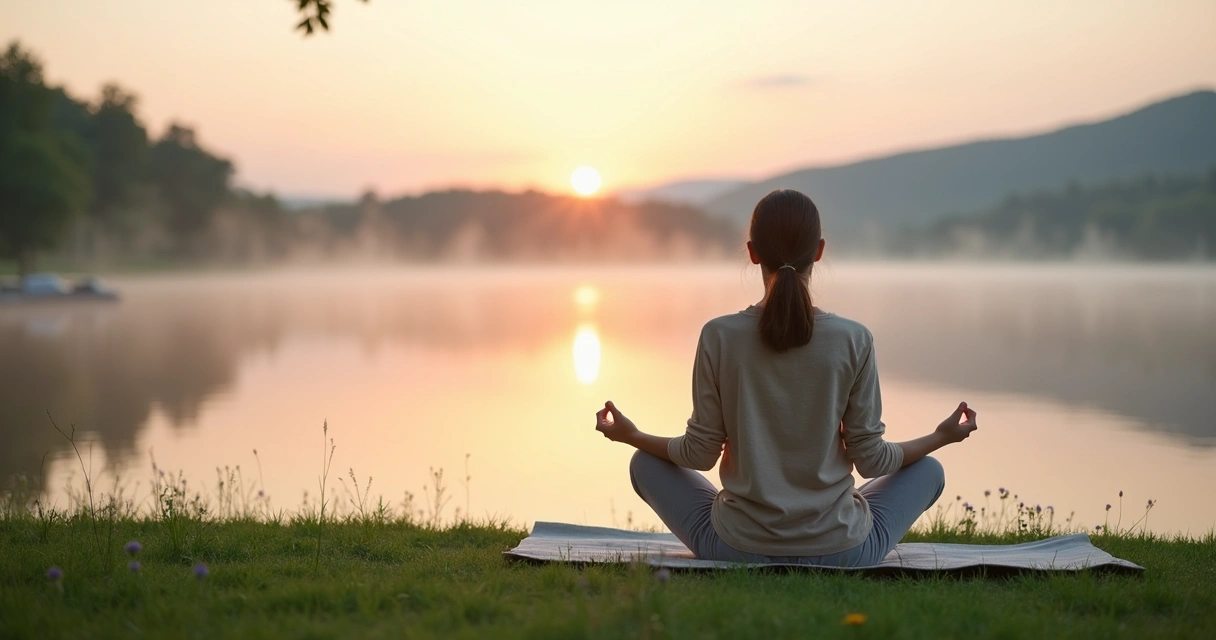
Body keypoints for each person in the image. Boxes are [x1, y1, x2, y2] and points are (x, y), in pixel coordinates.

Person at [593, 189, 978, 567]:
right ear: (820, 251)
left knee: (644, 463)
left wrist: (631, 435)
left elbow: (700, 454)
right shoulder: (854, 339)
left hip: (734, 548)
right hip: (844, 550)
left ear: (752, 252)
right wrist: (942, 437)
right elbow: (872, 462)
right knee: (929, 469)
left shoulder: (719, 335)